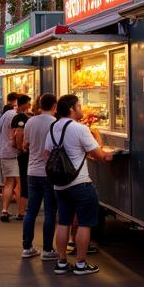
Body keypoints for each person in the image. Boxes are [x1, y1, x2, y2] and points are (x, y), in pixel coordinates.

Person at [47, 94, 112, 275]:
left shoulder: (53, 128)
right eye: (79, 105)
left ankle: (61, 262)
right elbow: (98, 154)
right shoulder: (80, 129)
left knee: (63, 222)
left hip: (60, 185)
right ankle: (81, 264)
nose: (81, 108)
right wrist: (97, 138)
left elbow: (47, 154)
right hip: (80, 183)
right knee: (84, 223)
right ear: (71, 109)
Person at [21, 94, 58, 259]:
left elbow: (25, 144)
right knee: (50, 212)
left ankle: (27, 247)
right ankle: (48, 249)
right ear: (54, 106)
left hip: (32, 172)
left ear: (39, 105)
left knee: (31, 211)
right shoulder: (55, 123)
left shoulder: (30, 121)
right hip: (49, 173)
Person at [0, 99, 21, 222]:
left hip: (4, 153)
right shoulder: (14, 116)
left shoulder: (4, 116)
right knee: (19, 183)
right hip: (13, 154)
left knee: (8, 183)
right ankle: (21, 212)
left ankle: (4, 210)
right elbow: (16, 137)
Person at [12, 95, 31, 213]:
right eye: (29, 103)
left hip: (23, 154)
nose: (30, 105)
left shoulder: (21, 117)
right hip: (25, 154)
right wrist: (21, 148)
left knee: (24, 180)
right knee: (24, 181)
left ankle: (22, 210)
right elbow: (19, 134)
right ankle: (22, 211)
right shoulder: (21, 118)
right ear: (23, 104)